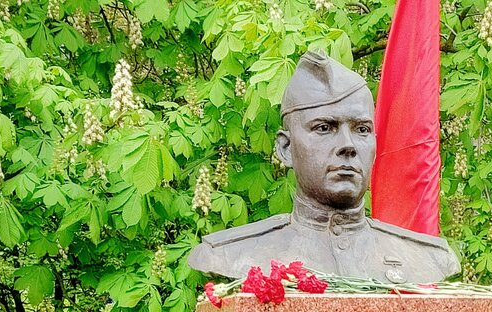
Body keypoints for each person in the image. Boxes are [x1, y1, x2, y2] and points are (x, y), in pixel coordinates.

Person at [188, 51, 459, 285]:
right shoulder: (230, 255)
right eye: (324, 128)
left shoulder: (427, 259)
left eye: (362, 130)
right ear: (285, 148)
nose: (348, 145)